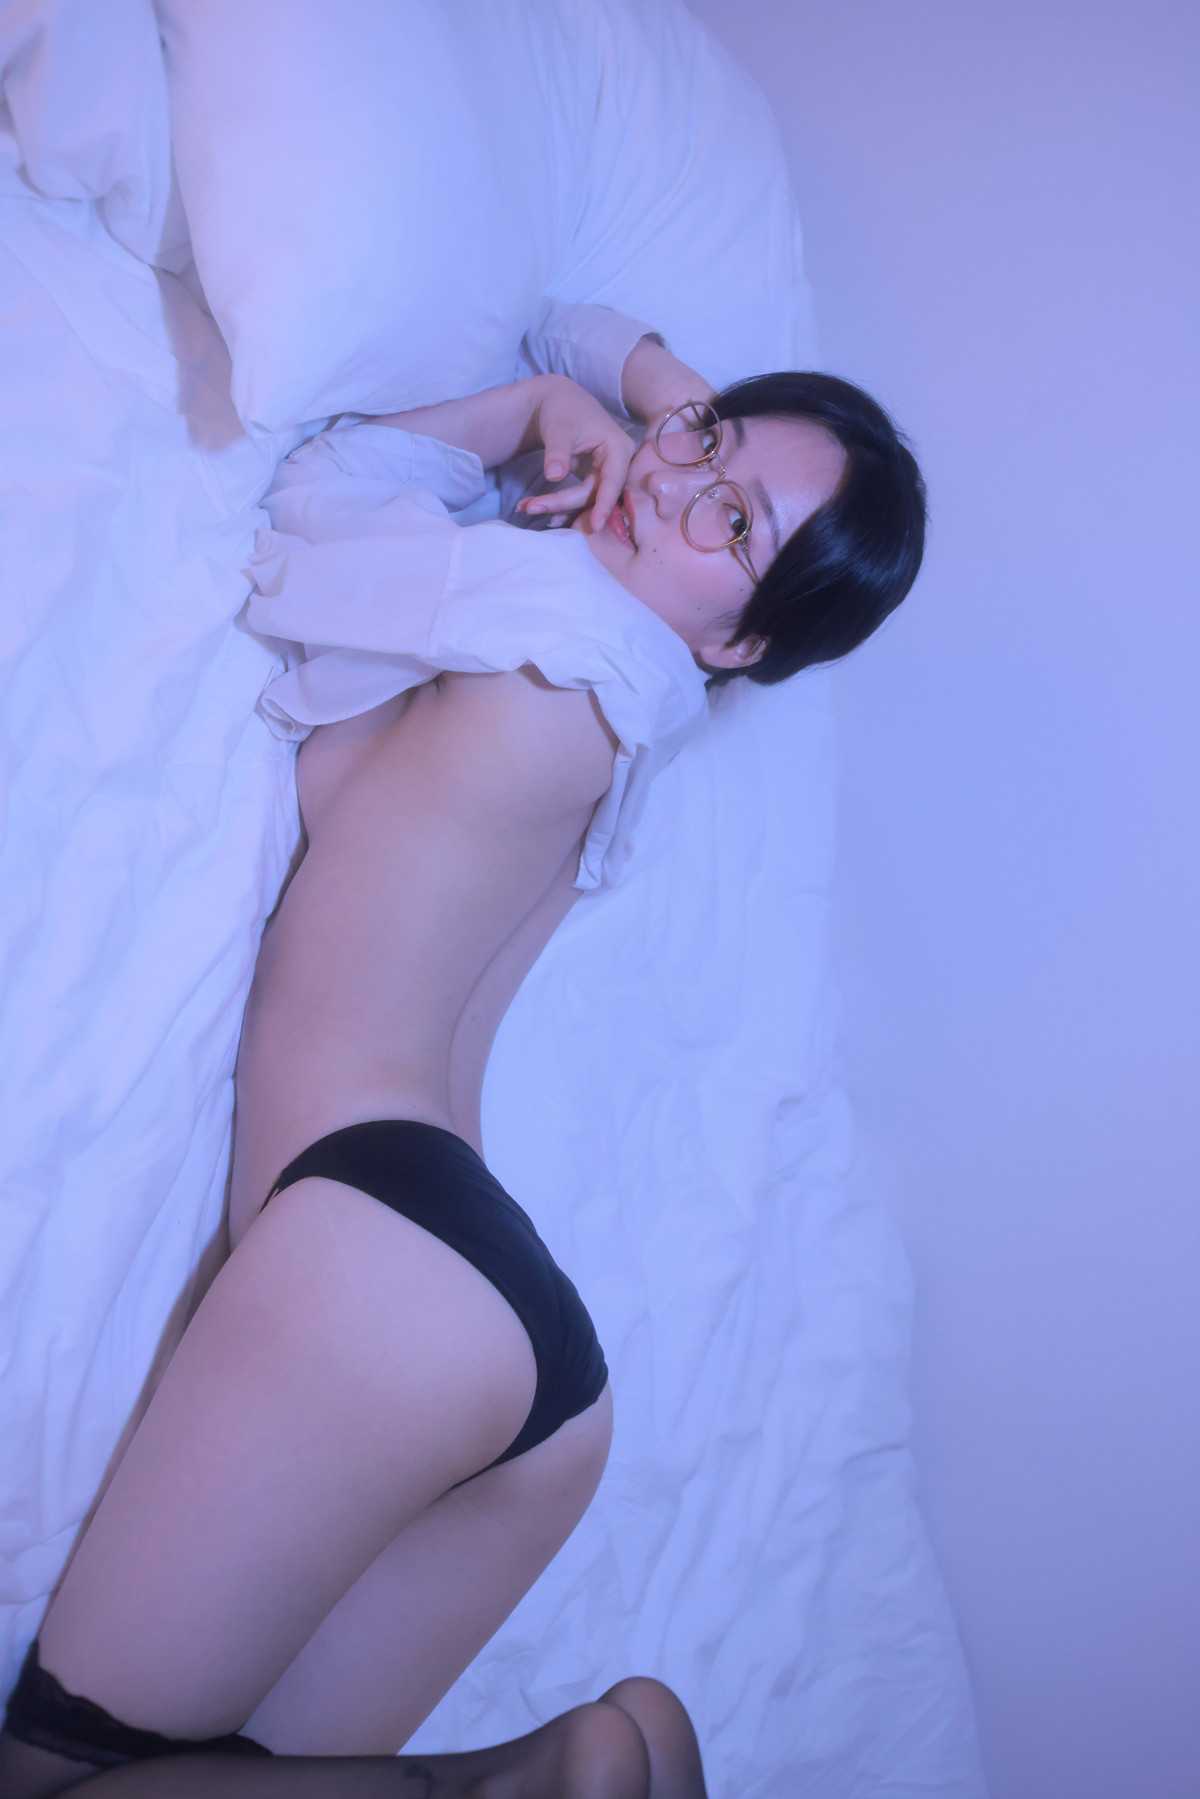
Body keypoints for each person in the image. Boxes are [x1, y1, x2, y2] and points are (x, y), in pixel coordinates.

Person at [0, 309, 926, 1798]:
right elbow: (596, 355)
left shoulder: (547, 612)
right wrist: (651, 406)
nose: (678, 484)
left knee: (48, 1777)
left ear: (740, 643)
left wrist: (543, 403)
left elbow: (306, 515)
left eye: (738, 522)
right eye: (706, 443)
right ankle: (602, 1753)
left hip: (377, 1258)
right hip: (511, 1350)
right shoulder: (627, 713)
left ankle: (537, 1772)